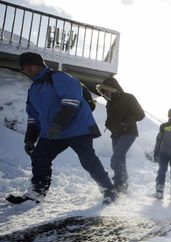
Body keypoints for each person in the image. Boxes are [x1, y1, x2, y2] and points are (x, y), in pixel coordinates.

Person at [11, 52, 116, 204]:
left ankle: (108, 190)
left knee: (88, 160)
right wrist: (30, 138)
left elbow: (72, 100)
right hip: (53, 132)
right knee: (40, 157)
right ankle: (37, 193)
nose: (27, 69)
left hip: (77, 128)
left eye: (30, 65)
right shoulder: (33, 89)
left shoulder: (58, 77)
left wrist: (58, 123)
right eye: (23, 67)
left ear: (39, 64)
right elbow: (33, 117)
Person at [96, 78, 145, 194]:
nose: (105, 93)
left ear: (113, 88)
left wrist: (125, 123)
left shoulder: (129, 97)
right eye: (103, 91)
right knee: (120, 161)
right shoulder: (109, 103)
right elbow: (110, 120)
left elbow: (140, 114)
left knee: (116, 159)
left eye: (107, 90)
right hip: (116, 135)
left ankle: (119, 184)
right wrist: (108, 125)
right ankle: (122, 187)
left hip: (129, 133)